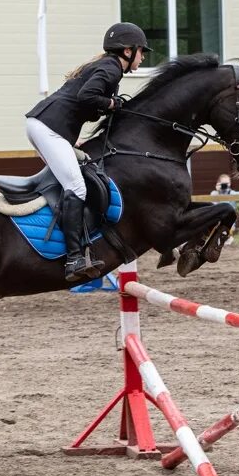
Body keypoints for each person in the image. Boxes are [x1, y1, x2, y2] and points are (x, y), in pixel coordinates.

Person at [25, 22, 147, 281]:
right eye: (141, 51)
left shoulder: (108, 67)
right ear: (127, 51)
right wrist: (113, 103)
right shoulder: (111, 68)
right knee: (77, 188)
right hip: (48, 128)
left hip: (46, 126)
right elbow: (86, 97)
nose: (143, 56)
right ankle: (73, 259)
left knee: (70, 181)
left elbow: (82, 102)